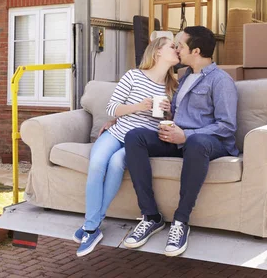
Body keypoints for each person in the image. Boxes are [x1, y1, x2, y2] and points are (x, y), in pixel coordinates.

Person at [123, 26, 238, 257]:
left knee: (195, 144)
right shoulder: (184, 76)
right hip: (180, 138)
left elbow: (226, 126)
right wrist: (167, 116)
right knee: (134, 136)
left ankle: (181, 221)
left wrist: (187, 135)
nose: (176, 49)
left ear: (195, 51)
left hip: (211, 143)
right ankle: (151, 216)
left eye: (180, 45)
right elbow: (179, 117)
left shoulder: (220, 80)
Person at [73, 37, 180, 257]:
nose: (177, 50)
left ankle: (91, 227)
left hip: (138, 142)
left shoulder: (172, 85)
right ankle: (92, 225)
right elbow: (112, 108)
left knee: (115, 164)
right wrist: (138, 107)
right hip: (116, 133)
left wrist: (169, 113)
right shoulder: (133, 75)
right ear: (158, 51)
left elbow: (172, 122)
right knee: (97, 165)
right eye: (172, 46)